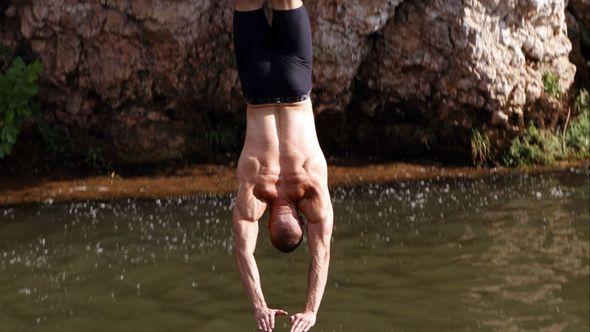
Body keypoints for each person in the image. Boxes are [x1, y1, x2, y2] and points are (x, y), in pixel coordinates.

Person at [231, 1, 333, 331]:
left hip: (288, 85)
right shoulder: (263, 194)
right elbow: (246, 251)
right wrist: (309, 310)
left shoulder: (291, 195)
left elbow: (321, 250)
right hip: (268, 89)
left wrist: (263, 307)